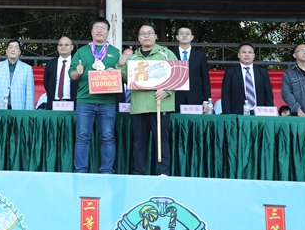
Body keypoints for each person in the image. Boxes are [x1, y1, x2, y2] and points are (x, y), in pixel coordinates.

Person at [119, 23, 177, 176]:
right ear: (138, 37)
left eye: (149, 33)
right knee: (139, 142)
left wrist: (167, 91)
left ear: (156, 36)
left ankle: (163, 172)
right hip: (139, 106)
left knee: (161, 140)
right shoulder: (133, 58)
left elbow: (178, 75)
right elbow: (124, 78)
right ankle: (139, 172)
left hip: (160, 105)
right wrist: (119, 66)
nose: (146, 36)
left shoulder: (166, 54)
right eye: (142, 33)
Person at [69, 17, 121, 174]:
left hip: (107, 102)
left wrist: (118, 70)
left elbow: (124, 77)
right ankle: (80, 171)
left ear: (108, 32)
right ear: (91, 31)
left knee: (108, 137)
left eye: (103, 28)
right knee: (82, 137)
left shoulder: (116, 52)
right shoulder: (81, 51)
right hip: (85, 101)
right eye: (96, 27)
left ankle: (107, 171)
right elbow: (72, 75)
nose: (99, 30)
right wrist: (77, 72)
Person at [221, 42, 273, 115]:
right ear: (238, 55)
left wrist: (269, 114)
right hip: (238, 114)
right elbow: (225, 95)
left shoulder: (262, 72)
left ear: (254, 55)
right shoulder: (230, 72)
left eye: (250, 52)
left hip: (259, 113)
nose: (247, 55)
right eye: (244, 52)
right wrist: (228, 116)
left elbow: (268, 95)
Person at [0, 39, 35, 110]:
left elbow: (29, 94)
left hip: (19, 109)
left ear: (19, 52)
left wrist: (28, 113)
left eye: (16, 48)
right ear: (6, 51)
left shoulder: (27, 69)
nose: (13, 50)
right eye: (10, 47)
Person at [171, 26, 211, 111]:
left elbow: (205, 79)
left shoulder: (200, 55)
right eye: (181, 33)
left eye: (187, 33)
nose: (184, 35)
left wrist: (206, 100)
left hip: (195, 96)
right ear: (177, 37)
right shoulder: (171, 54)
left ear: (192, 37)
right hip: (176, 97)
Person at [43, 36, 77, 109]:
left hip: (73, 102)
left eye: (66, 45)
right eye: (60, 45)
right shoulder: (50, 64)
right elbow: (46, 83)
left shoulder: (77, 64)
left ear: (72, 47)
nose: (63, 47)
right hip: (53, 102)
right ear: (57, 47)